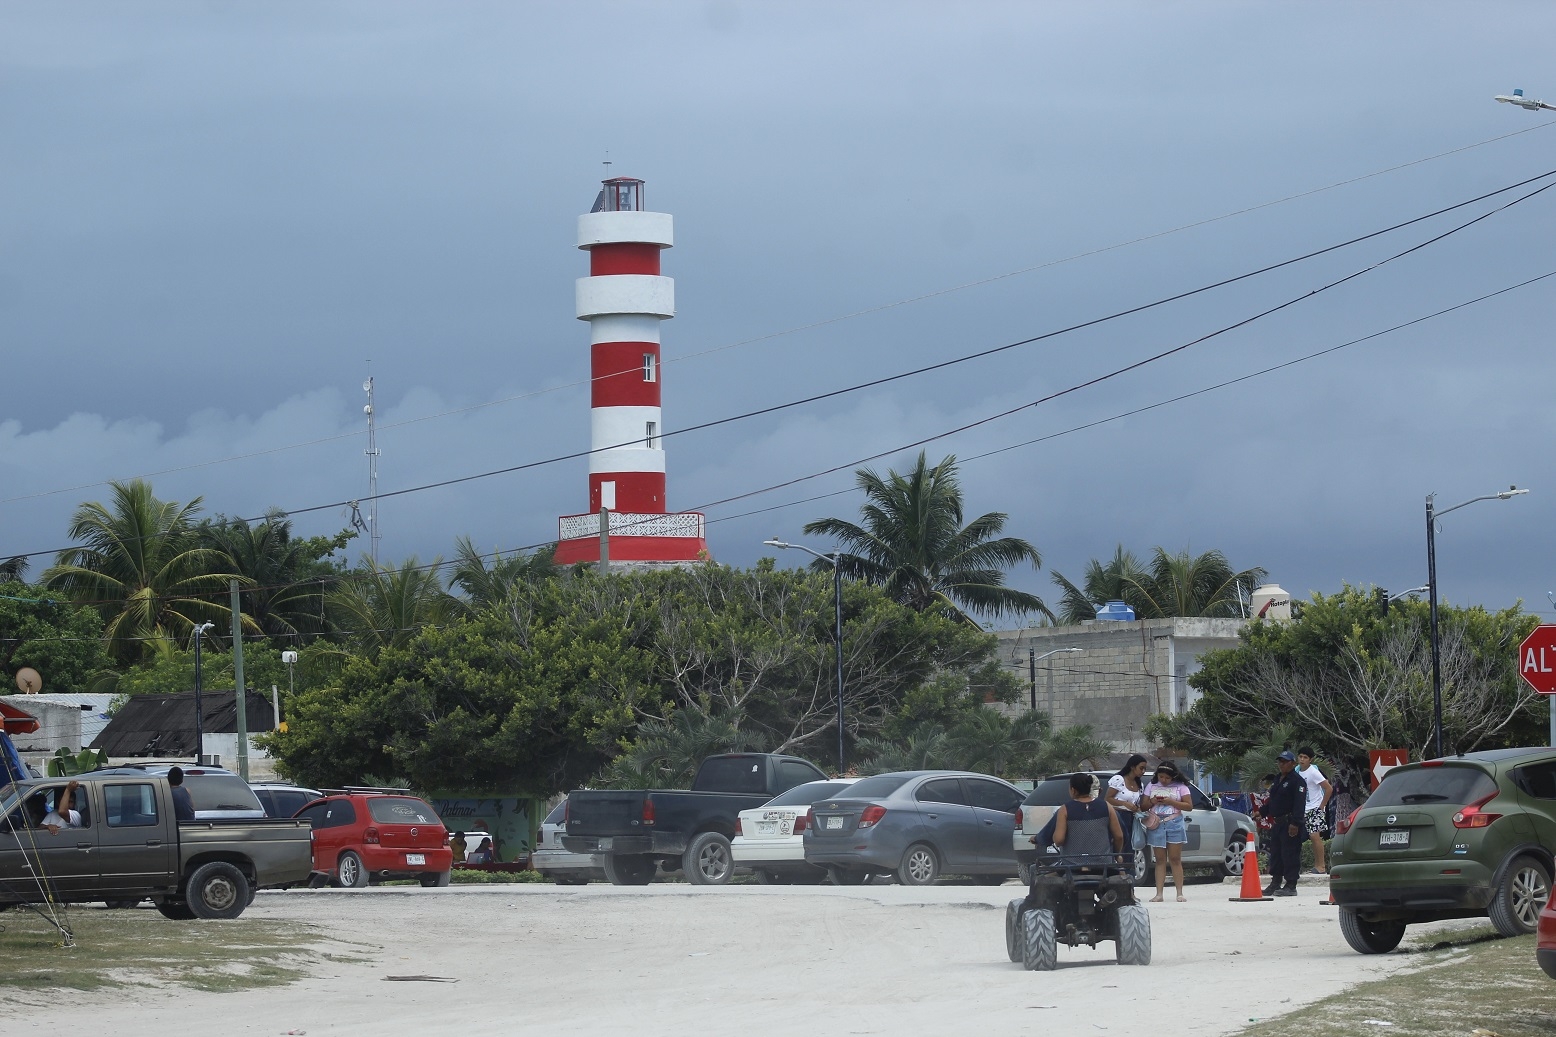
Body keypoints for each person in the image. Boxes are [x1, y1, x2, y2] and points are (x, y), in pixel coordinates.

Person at [1259, 750, 1308, 896]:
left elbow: (1300, 804)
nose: (1281, 764)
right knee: (1277, 854)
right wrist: (1261, 812)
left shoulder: (1297, 781)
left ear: (1292, 763)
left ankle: (1291, 885)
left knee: (1290, 854)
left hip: (1290, 823)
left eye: (1285, 761)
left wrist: (1295, 823)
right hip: (1278, 823)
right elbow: (1273, 801)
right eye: (1280, 761)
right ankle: (1275, 882)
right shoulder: (1278, 779)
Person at [1142, 762, 1193, 903]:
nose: (1163, 780)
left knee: (1175, 859)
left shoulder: (1181, 787)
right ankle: (1159, 893)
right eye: (1161, 777)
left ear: (1173, 777)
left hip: (1174, 822)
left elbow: (1189, 806)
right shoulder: (1151, 786)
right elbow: (1143, 805)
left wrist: (1171, 801)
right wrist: (1153, 801)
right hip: (1157, 823)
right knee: (1160, 860)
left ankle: (1179, 892)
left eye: (1167, 778)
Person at [1053, 771, 1124, 863]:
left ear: (1073, 790)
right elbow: (1119, 837)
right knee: (1123, 874)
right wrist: (1117, 855)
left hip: (1071, 865)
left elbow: (1059, 840)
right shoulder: (1107, 807)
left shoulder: (1064, 809)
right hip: (1103, 865)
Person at [1105, 754, 1149, 863]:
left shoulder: (1139, 784)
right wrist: (1124, 803)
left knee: (1130, 843)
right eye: (1141, 768)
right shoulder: (1119, 779)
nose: (1143, 771)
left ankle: (1128, 869)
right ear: (1132, 767)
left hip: (1131, 817)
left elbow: (1138, 802)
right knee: (1119, 840)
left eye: (1144, 769)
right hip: (1117, 815)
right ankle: (1116, 867)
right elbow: (1108, 798)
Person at [1296, 748, 1333, 874]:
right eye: (1300, 756)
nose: (1302, 759)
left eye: (1305, 757)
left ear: (1310, 759)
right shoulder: (1297, 772)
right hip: (1303, 808)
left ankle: (1321, 866)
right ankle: (1313, 865)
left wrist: (1322, 805)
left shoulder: (1313, 772)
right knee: (1301, 836)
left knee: (1314, 836)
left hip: (1315, 807)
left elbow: (1328, 788)